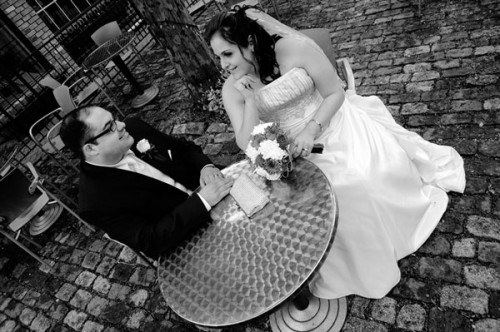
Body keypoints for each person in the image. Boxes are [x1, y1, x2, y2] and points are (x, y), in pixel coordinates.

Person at [204, 6, 466, 299]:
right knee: (321, 200)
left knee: (357, 180)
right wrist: (251, 100)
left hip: (333, 124)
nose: (223, 64)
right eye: (218, 57)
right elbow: (245, 141)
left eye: (227, 53)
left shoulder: (293, 49)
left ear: (249, 43)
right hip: (296, 152)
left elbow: (335, 93)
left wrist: (312, 129)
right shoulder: (232, 88)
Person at [59, 105, 233, 259]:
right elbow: (150, 241)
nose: (121, 125)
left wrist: (206, 167)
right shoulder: (95, 203)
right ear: (91, 149)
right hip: (193, 239)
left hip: (220, 188)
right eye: (110, 127)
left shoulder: (134, 128)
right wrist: (202, 202)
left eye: (114, 119)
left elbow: (183, 149)